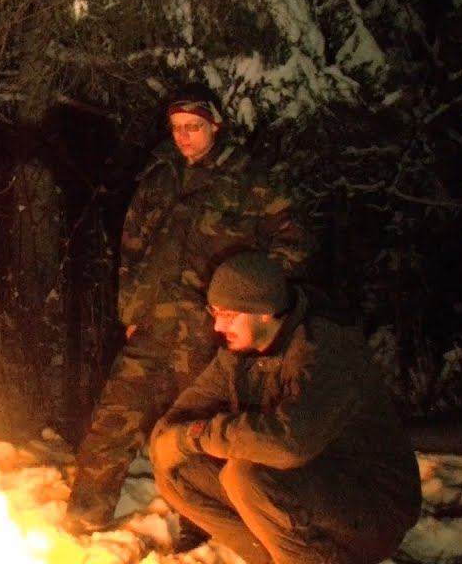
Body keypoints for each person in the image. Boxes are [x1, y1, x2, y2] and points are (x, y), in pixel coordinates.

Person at [67, 94, 310, 531]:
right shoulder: (160, 177)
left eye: (193, 126)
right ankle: (87, 516)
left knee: (199, 433)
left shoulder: (249, 180)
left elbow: (293, 247)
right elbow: (133, 246)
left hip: (212, 332)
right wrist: (132, 311)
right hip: (154, 325)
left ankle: (205, 528)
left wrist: (248, 302)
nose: (183, 135)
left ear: (216, 126)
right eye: (176, 126)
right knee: (114, 416)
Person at [149, 252, 421, 563]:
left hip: (372, 505)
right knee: (176, 468)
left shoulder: (325, 351)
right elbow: (179, 418)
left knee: (247, 475)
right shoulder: (239, 351)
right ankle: (274, 557)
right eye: (215, 312)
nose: (217, 327)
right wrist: (175, 439)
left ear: (264, 312)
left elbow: (288, 444)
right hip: (303, 492)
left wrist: (197, 436)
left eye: (228, 315)